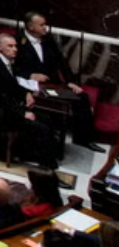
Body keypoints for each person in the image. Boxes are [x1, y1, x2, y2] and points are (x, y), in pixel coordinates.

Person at [18, 11, 100, 149]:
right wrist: (30, 75)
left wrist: (70, 81)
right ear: (31, 27)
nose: (45, 28)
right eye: (42, 25)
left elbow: (61, 62)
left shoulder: (47, 39)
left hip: (52, 86)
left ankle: (83, 139)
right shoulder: (17, 41)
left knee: (81, 97)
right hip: (31, 88)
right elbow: (12, 68)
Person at [0, 32, 60, 167]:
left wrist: (25, 93)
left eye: (15, 46)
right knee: (42, 127)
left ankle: (43, 154)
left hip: (9, 107)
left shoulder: (6, 62)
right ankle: (46, 164)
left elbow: (12, 85)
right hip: (0, 113)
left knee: (48, 119)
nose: (15, 49)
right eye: (10, 46)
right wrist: (22, 113)